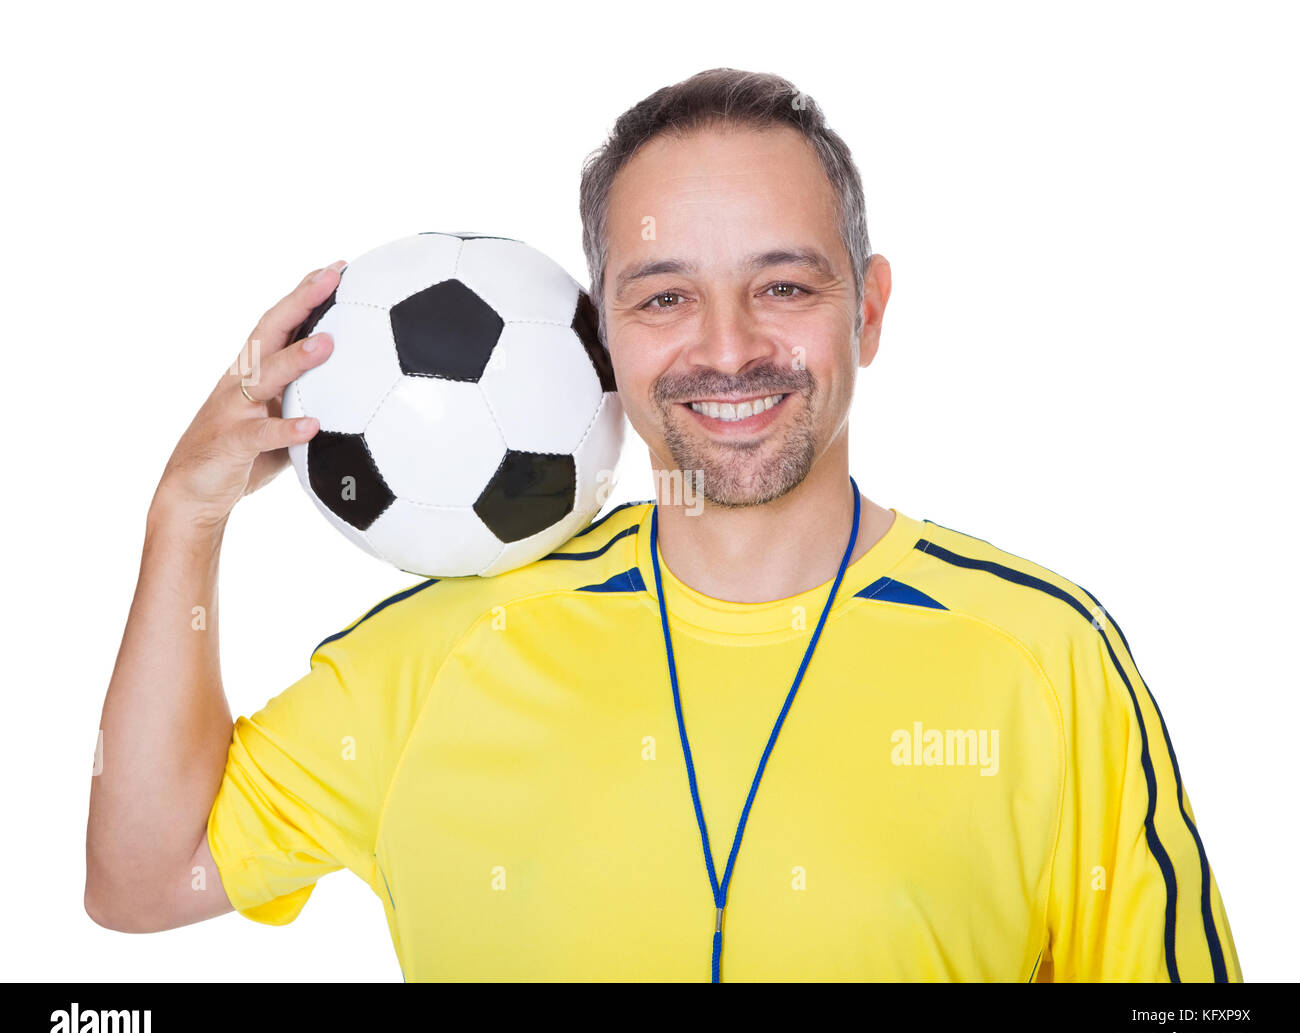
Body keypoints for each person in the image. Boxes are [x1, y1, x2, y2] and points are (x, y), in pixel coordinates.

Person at [85, 67, 1242, 983]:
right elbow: (142, 881)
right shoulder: (446, 647)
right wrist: (182, 518)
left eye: (784, 286)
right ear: (602, 341)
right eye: (664, 296)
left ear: (869, 311)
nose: (728, 347)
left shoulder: (1045, 655)